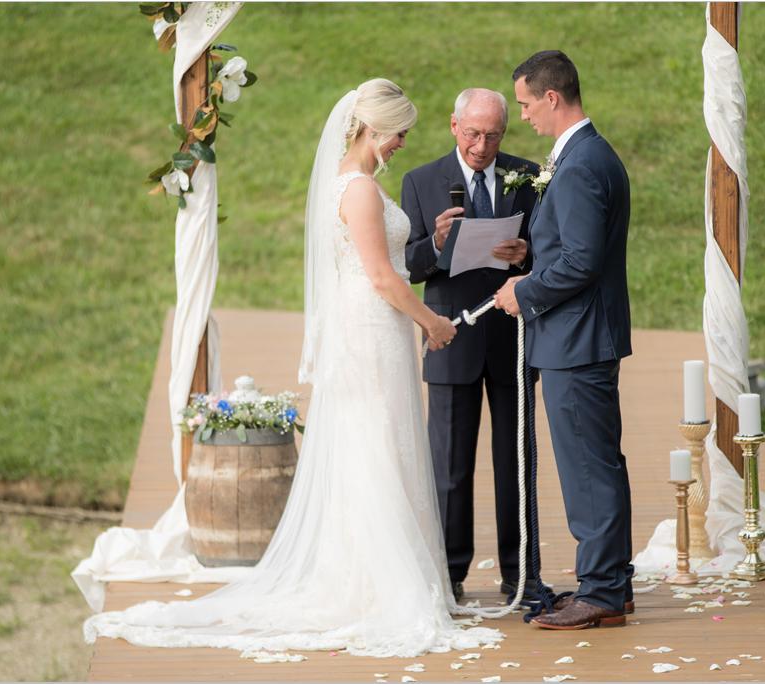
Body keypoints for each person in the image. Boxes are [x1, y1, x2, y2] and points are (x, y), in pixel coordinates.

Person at [83, 79, 504, 657]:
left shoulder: (356, 186)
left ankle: (380, 576)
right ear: (374, 131)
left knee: (382, 446)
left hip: (374, 326)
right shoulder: (357, 190)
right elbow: (382, 277)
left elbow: (383, 263)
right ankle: (375, 586)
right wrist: (430, 323)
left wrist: (429, 240)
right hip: (372, 328)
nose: (405, 141)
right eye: (400, 131)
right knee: (376, 447)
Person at [495, 51, 634, 630]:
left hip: (576, 342)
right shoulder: (591, 154)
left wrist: (523, 293)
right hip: (585, 339)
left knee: (588, 469)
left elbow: (581, 261)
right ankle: (613, 584)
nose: (523, 115)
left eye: (525, 103)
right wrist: (535, 256)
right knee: (599, 462)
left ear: (552, 98)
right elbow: (575, 250)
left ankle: (600, 590)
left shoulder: (577, 165)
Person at [401, 88, 538, 602]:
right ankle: (449, 575)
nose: (482, 145)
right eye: (474, 133)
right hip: (450, 336)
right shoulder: (420, 181)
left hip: (513, 339)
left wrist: (527, 252)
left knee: (516, 465)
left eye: (494, 134)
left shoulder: (528, 177)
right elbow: (407, 267)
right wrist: (435, 244)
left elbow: (548, 252)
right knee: (450, 470)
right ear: (453, 125)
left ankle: (520, 575)